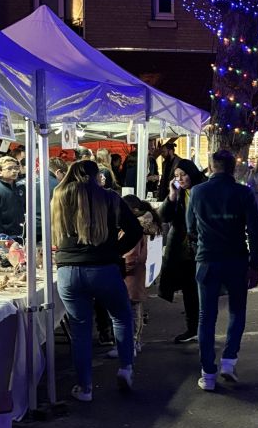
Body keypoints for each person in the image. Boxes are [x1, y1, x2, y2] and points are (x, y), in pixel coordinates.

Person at [52, 160, 142, 400]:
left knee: (80, 329)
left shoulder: (59, 196)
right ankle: (125, 367)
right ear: (97, 176)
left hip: (68, 269)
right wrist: (115, 250)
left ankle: (85, 388)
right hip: (104, 267)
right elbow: (135, 230)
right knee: (121, 317)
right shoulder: (110, 198)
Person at [186, 149, 258, 391]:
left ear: (211, 166)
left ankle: (208, 372)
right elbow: (255, 230)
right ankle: (229, 361)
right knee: (236, 311)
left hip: (208, 258)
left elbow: (190, 227)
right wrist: (255, 264)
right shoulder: (244, 192)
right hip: (236, 259)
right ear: (233, 168)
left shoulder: (198, 192)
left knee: (206, 316)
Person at [159, 158, 206, 344]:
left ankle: (204, 328)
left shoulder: (202, 189)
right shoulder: (178, 193)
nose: (181, 179)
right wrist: (172, 196)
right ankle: (192, 328)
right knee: (188, 290)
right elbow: (163, 217)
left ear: (192, 173)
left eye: (183, 174)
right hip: (183, 249)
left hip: (202, 248)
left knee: (203, 290)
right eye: (177, 176)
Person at [119, 195, 159, 358]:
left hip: (130, 277)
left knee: (130, 312)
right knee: (134, 311)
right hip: (134, 277)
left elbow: (132, 257)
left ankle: (131, 344)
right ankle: (134, 342)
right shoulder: (139, 228)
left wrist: (118, 267)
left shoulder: (134, 229)